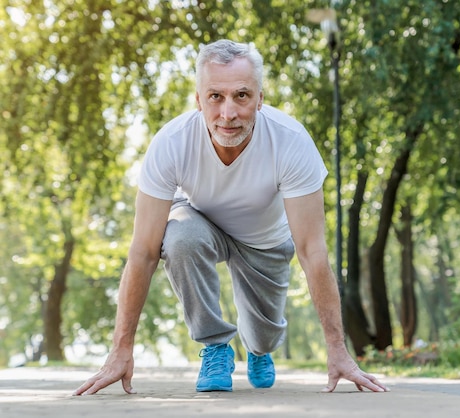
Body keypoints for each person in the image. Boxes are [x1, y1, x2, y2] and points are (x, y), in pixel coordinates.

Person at [74, 39, 388, 395]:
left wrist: (338, 350)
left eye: (241, 96)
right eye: (215, 97)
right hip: (201, 223)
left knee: (264, 336)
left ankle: (258, 348)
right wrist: (120, 350)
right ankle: (216, 346)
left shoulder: (291, 142)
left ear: (260, 99)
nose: (228, 113)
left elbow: (312, 251)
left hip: (266, 240)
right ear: (198, 100)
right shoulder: (171, 144)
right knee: (179, 237)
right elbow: (143, 252)